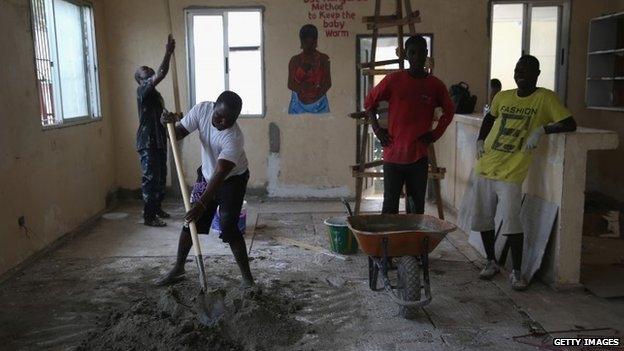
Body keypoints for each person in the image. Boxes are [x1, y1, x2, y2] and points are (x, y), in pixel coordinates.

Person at [465, 55, 577, 290]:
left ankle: (516, 272)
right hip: (486, 166)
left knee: (512, 224)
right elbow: (489, 117)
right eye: (517, 69)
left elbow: (570, 123)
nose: (520, 74)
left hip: (511, 172)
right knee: (484, 218)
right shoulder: (503, 97)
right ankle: (491, 262)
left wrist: (542, 130)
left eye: (526, 70)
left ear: (537, 73)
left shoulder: (545, 98)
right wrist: (480, 139)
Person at [156, 91, 254, 288]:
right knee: (190, 221)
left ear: (235, 119)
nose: (222, 121)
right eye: (218, 116)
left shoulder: (233, 138)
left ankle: (247, 279)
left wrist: (202, 203)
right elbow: (177, 134)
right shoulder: (202, 109)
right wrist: (166, 124)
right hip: (208, 174)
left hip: (232, 180)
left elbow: (220, 175)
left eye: (229, 119)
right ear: (214, 106)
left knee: (228, 225)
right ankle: (179, 268)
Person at [364, 35, 455, 214]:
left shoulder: (435, 85)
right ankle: (388, 241)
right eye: (412, 53)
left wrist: (435, 134)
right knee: (390, 206)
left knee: (415, 208)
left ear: (426, 54)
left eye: (421, 53)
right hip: (393, 155)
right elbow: (369, 102)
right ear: (406, 55)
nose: (417, 57)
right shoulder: (394, 80)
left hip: (418, 157)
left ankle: (412, 241)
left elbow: (449, 111)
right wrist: (377, 130)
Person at [135, 35, 175, 227]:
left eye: (149, 70)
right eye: (145, 73)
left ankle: (157, 208)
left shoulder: (155, 95)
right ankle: (149, 216)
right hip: (147, 141)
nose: (149, 71)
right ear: (141, 80)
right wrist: (168, 53)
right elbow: (161, 72)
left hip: (159, 140)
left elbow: (160, 116)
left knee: (160, 176)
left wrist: (171, 116)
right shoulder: (142, 91)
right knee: (150, 178)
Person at [287, 24, 332, 114]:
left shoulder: (323, 59)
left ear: (316, 42)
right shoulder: (295, 60)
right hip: (298, 105)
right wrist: (302, 89)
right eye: (306, 43)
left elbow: (328, 83)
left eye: (311, 44)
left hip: (320, 104)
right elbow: (290, 84)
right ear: (301, 42)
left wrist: (316, 95)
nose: (309, 47)